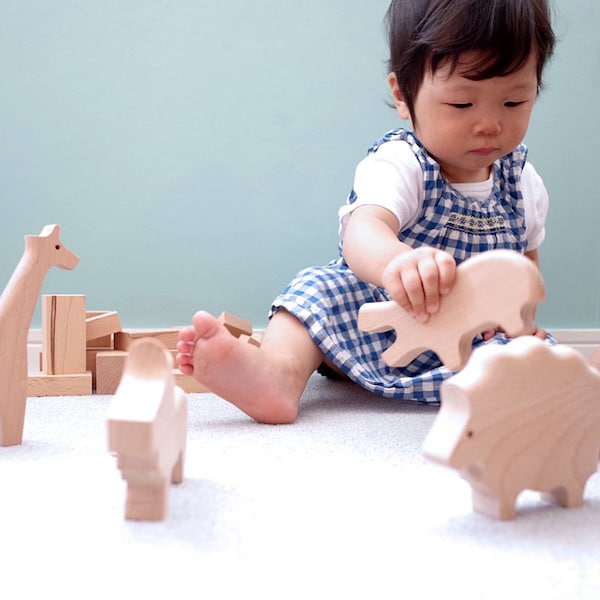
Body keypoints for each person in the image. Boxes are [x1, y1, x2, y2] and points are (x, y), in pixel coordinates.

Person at [177, 0, 556, 424]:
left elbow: (523, 268)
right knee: (316, 291)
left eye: (513, 103)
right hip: (377, 319)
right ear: (403, 95)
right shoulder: (402, 162)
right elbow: (363, 230)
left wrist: (521, 322)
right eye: (462, 105)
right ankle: (277, 375)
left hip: (466, 338)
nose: (489, 124)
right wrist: (398, 262)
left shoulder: (522, 181)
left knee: (534, 357)